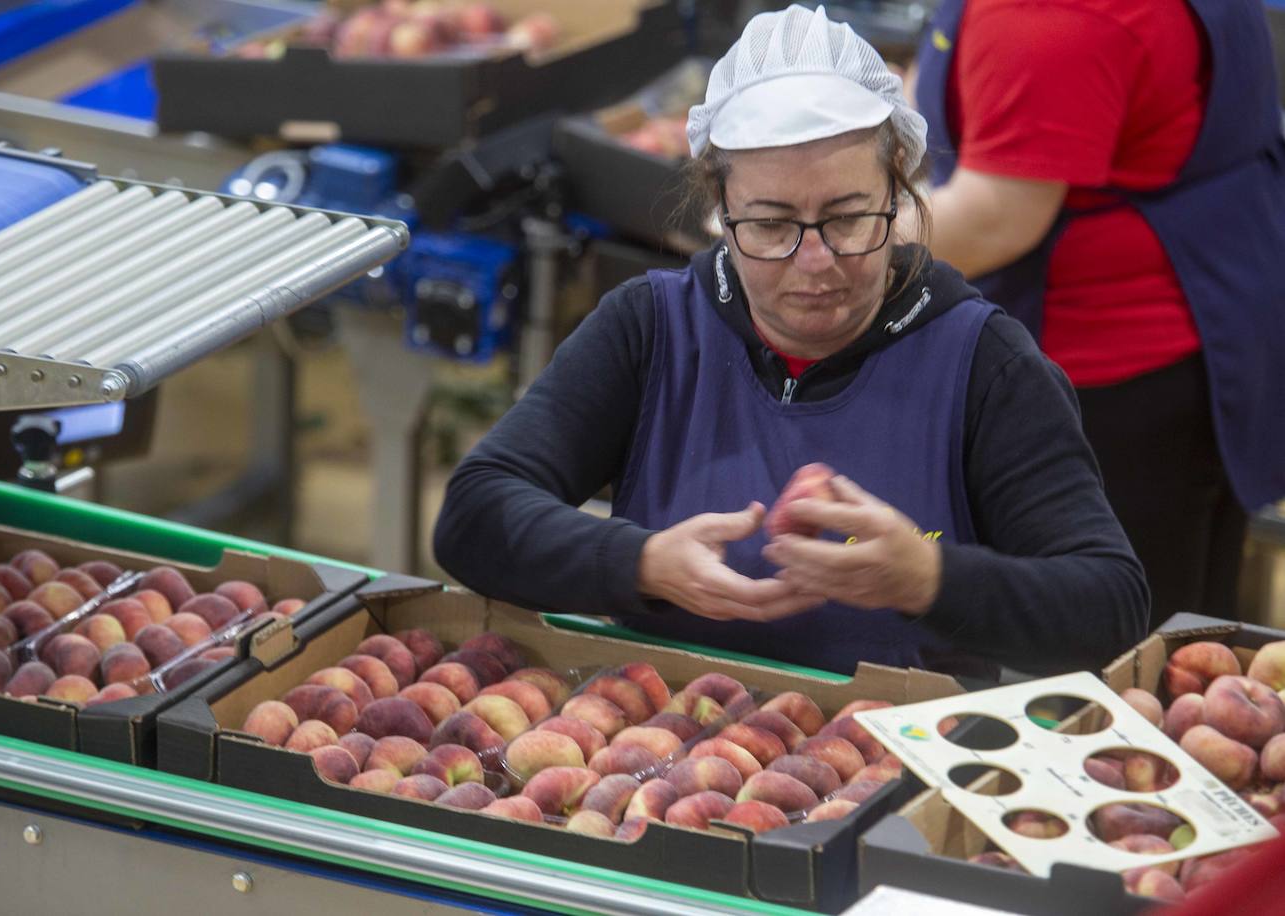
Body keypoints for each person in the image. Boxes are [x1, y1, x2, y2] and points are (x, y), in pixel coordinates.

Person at [433, 5, 1148, 679]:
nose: (816, 262)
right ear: (720, 211)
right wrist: (642, 562)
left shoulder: (981, 363)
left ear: (897, 194)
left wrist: (930, 579)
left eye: (848, 217)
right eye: (771, 225)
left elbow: (1108, 604)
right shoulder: (652, 330)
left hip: (897, 776)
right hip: (660, 759)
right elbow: (475, 515)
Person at [913, 0, 1285, 628]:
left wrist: (814, 234)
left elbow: (996, 217)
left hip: (1112, 388)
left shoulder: (1049, 14)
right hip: (1220, 327)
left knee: (1111, 649)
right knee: (1188, 643)